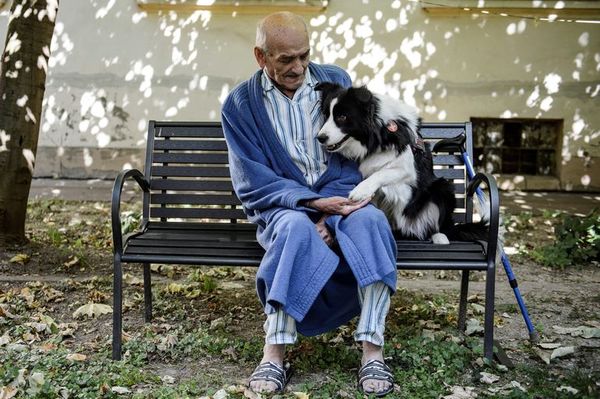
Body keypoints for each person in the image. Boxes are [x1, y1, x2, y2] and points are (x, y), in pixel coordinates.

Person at [221, 12, 397, 397]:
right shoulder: (239, 106)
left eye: (304, 55)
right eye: (285, 59)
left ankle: (372, 351)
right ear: (260, 57)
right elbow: (252, 181)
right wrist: (314, 205)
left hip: (346, 198)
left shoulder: (336, 82)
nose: (298, 67)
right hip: (285, 208)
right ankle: (274, 352)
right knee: (295, 229)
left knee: (371, 224)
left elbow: (357, 154)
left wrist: (332, 217)